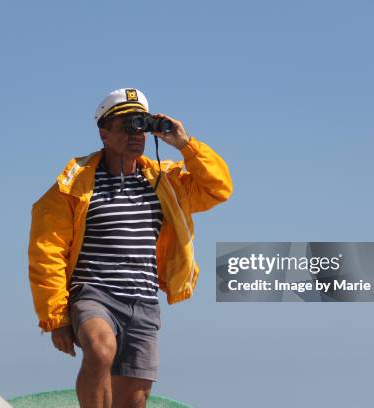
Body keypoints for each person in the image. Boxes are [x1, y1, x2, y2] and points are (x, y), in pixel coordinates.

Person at [28, 88, 232, 408]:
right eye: (126, 126)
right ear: (104, 133)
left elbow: (217, 188)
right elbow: (47, 251)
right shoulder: (73, 185)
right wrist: (56, 318)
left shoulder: (164, 181)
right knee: (99, 349)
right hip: (93, 291)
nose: (136, 134)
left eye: (142, 126)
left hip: (142, 299)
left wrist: (184, 143)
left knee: (134, 399)